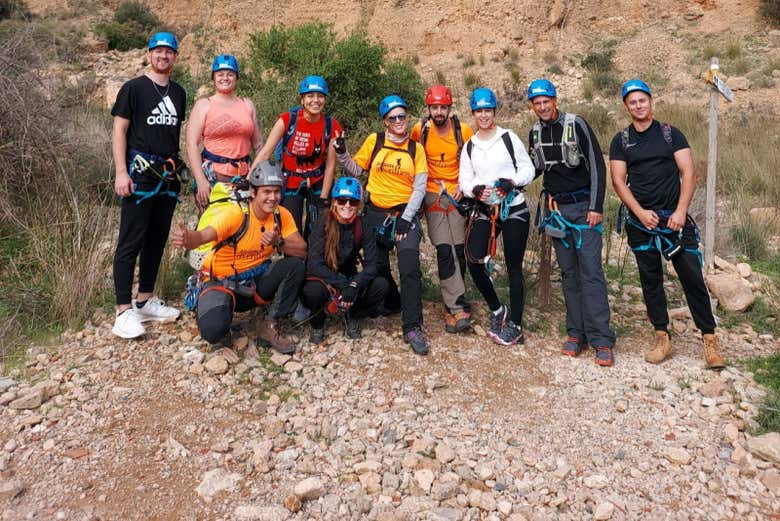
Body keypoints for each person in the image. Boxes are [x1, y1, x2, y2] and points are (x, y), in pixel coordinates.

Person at [609, 79, 725, 369]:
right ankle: (662, 335)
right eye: (632, 102)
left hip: (675, 220)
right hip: (642, 222)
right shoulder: (621, 141)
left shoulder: (671, 135)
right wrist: (638, 212)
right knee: (650, 280)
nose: (638, 105)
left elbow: (689, 173)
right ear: (626, 106)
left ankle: (709, 339)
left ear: (651, 101)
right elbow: (618, 181)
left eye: (642, 100)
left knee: (691, 276)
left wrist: (681, 211)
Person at [172, 161, 307, 354]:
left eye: (277, 192)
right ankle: (213, 309)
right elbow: (203, 236)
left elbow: (302, 250)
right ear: (253, 192)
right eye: (266, 192)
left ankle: (269, 326)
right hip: (222, 282)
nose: (273, 198)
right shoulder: (236, 214)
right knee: (213, 331)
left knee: (295, 266)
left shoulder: (280, 215)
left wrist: (279, 242)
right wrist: (187, 239)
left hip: (255, 282)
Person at [527, 78, 616, 367]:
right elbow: (535, 168)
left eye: (546, 102)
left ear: (555, 100)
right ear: (532, 106)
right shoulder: (535, 133)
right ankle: (576, 333)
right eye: (537, 103)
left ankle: (601, 338)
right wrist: (508, 183)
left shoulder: (576, 124)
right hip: (556, 212)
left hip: (583, 211)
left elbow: (597, 165)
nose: (542, 107)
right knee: (568, 274)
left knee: (591, 272)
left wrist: (596, 207)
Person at [334, 95, 430, 355]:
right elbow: (356, 170)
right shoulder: (374, 141)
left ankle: (412, 326)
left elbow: (420, 187)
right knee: (377, 268)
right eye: (392, 118)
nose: (398, 121)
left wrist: (406, 220)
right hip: (375, 213)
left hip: (404, 214)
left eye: (402, 116)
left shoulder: (415, 149)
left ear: (407, 117)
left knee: (410, 267)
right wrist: (342, 153)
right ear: (385, 121)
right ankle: (389, 304)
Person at [111, 32, 186, 339]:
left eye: (169, 52)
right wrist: (120, 172)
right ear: (149, 54)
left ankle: (145, 299)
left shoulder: (179, 93)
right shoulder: (133, 89)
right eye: (158, 51)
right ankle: (123, 310)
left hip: (166, 176)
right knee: (130, 240)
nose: (163, 56)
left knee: (156, 239)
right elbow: (119, 131)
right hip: (138, 175)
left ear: (175, 57)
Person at [459, 87, 535, 346]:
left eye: (487, 110)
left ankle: (515, 324)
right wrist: (475, 189)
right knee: (473, 259)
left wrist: (512, 181)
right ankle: (497, 310)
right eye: (479, 111)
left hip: (513, 206)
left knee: (514, 266)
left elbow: (528, 168)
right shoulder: (469, 146)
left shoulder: (508, 138)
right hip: (484, 210)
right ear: (473, 113)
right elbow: (465, 180)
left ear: (494, 111)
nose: (483, 115)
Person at [410, 85, 474, 334]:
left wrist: (463, 186)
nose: (438, 112)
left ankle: (455, 299)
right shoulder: (420, 131)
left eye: (442, 107)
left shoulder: (463, 131)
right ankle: (456, 307)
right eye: (434, 107)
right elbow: (412, 157)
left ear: (449, 108)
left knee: (459, 249)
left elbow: (473, 162)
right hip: (432, 196)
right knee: (444, 248)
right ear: (429, 108)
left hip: (456, 194)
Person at [249, 75, 342, 238]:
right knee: (291, 231)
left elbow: (330, 165)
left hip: (318, 180)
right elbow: (266, 152)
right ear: (302, 99)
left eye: (320, 96)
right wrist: (249, 179)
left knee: (318, 231)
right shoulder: (287, 120)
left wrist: (324, 197)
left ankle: (313, 262)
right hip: (291, 180)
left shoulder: (331, 125)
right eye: (310, 96)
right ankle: (294, 262)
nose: (315, 100)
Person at [303, 177, 389, 344]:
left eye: (353, 202)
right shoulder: (323, 222)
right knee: (312, 291)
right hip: (325, 276)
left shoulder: (362, 225)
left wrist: (354, 285)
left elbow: (373, 264)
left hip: (349, 275)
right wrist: (343, 284)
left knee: (381, 285)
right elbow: (314, 263)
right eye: (342, 200)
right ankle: (317, 324)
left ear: (358, 204)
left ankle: (354, 315)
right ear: (334, 202)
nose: (347, 205)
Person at [185, 54, 264, 208]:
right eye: (220, 74)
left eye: (230, 74)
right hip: (213, 177)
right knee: (211, 227)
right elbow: (191, 144)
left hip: (243, 177)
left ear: (236, 78)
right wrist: (201, 181)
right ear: (213, 78)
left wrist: (254, 176)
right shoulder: (204, 105)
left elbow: (259, 144)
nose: (225, 78)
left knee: (242, 226)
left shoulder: (247, 105)